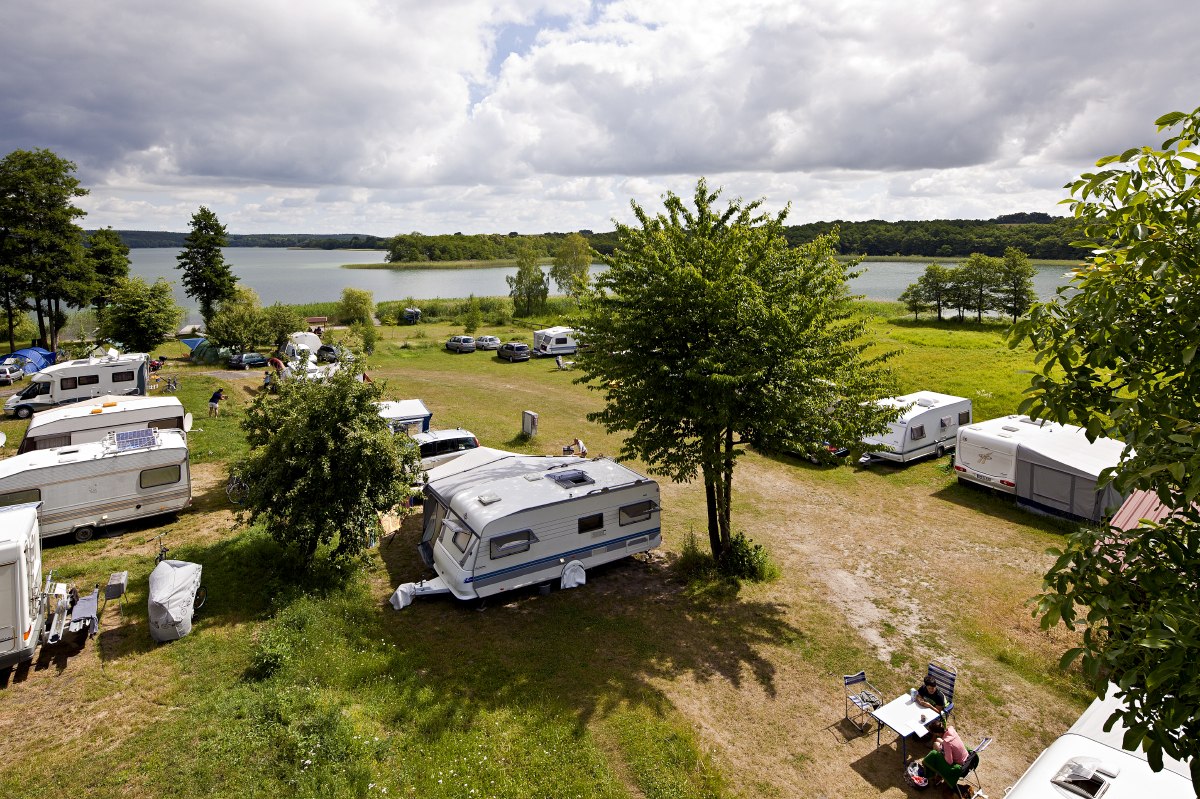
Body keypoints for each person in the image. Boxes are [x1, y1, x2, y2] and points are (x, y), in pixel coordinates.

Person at [922, 724, 971, 790]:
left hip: (960, 764)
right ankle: (937, 775)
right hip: (967, 759)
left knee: (936, 745)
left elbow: (949, 761)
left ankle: (935, 772)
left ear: (937, 733)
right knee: (938, 741)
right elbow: (948, 743)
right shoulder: (951, 730)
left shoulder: (947, 742)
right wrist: (943, 746)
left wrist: (940, 751)